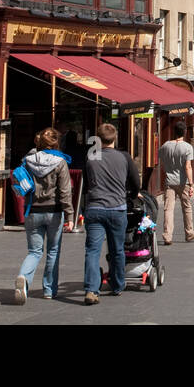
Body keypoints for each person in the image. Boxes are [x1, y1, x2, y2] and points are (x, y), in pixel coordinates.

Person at [81, 122, 140, 305]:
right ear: (115, 138)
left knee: (92, 251)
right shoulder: (124, 157)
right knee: (117, 250)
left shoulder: (91, 158)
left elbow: (86, 184)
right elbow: (135, 182)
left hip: (95, 208)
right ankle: (117, 285)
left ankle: (91, 289)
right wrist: (131, 193)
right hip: (117, 209)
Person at [15, 128, 73, 304]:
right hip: (54, 211)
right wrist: (69, 216)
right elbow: (65, 191)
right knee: (53, 251)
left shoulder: (27, 161)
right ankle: (49, 290)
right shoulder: (60, 162)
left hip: (33, 210)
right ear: (56, 143)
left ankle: (23, 278)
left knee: (34, 251)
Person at [159, 122, 194, 245]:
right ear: (185, 132)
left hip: (169, 181)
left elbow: (161, 161)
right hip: (183, 182)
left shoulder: (165, 146)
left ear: (173, 131)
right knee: (186, 207)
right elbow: (188, 166)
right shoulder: (187, 147)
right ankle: (189, 233)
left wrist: (167, 171)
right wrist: (191, 184)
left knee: (168, 209)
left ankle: (167, 236)